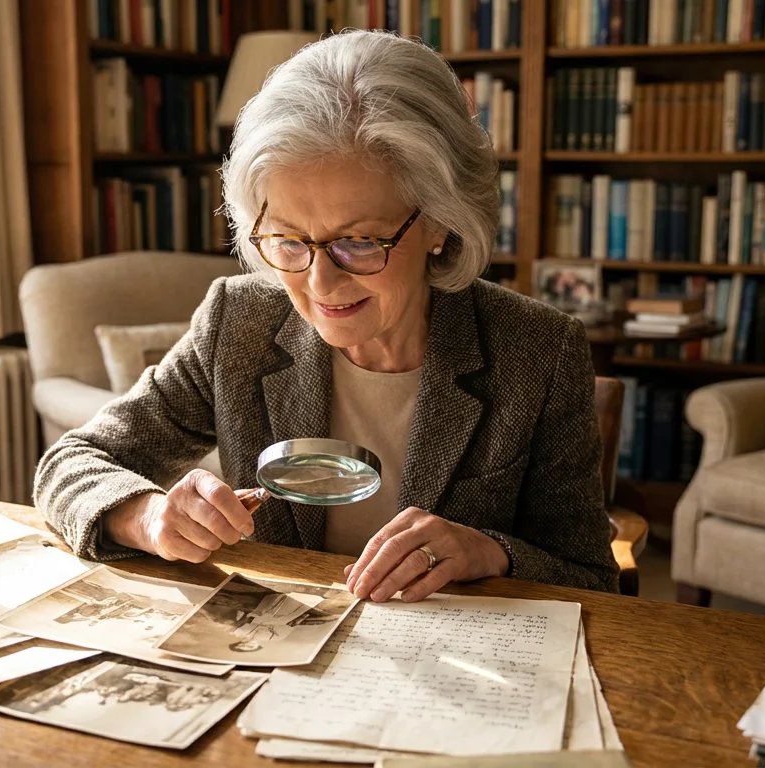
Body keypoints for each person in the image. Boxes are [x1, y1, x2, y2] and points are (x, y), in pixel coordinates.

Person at [35, 30, 620, 601]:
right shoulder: (238, 324)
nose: (320, 284)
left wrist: (488, 552)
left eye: (361, 241)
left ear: (442, 219)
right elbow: (71, 463)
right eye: (287, 240)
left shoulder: (538, 350)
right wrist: (150, 516)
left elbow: (591, 576)